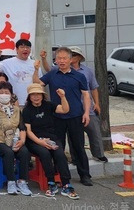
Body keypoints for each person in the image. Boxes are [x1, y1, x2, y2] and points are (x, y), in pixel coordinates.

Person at [33, 47, 93, 186]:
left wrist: (86, 113)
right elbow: (37, 83)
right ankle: (58, 174)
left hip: (76, 116)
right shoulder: (52, 74)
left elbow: (86, 95)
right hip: (56, 117)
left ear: (70, 59)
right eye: (58, 58)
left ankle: (85, 175)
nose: (61, 61)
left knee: (78, 146)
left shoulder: (79, 76)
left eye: (64, 58)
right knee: (57, 147)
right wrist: (36, 69)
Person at [41, 46, 108, 163]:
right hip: (64, 111)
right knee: (69, 138)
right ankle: (73, 159)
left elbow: (93, 88)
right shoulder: (58, 70)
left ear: (77, 58)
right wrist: (43, 60)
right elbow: (48, 71)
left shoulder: (86, 72)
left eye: (74, 55)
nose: (63, 60)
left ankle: (98, 154)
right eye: (60, 58)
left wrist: (96, 103)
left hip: (85, 108)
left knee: (93, 132)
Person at [22, 83, 79, 199]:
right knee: (44, 153)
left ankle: (66, 184)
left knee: (60, 154)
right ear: (29, 97)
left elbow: (65, 110)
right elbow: (28, 131)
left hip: (51, 137)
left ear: (43, 95)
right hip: (34, 140)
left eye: (38, 94)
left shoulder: (48, 105)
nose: (36, 97)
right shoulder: (27, 110)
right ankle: (51, 182)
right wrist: (40, 142)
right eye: (33, 95)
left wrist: (63, 97)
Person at [0, 81, 32, 196]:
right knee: (8, 152)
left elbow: (22, 127)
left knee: (24, 151)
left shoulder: (17, 109)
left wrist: (22, 141)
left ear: (11, 94)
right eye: (1, 92)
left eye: (7, 92)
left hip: (13, 139)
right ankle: (11, 181)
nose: (4, 95)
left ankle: (22, 181)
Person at [0, 39, 41, 106]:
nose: (25, 49)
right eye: (22, 47)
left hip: (30, 103)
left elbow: (39, 84)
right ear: (16, 49)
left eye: (28, 47)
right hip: (12, 103)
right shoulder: (7, 63)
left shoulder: (35, 64)